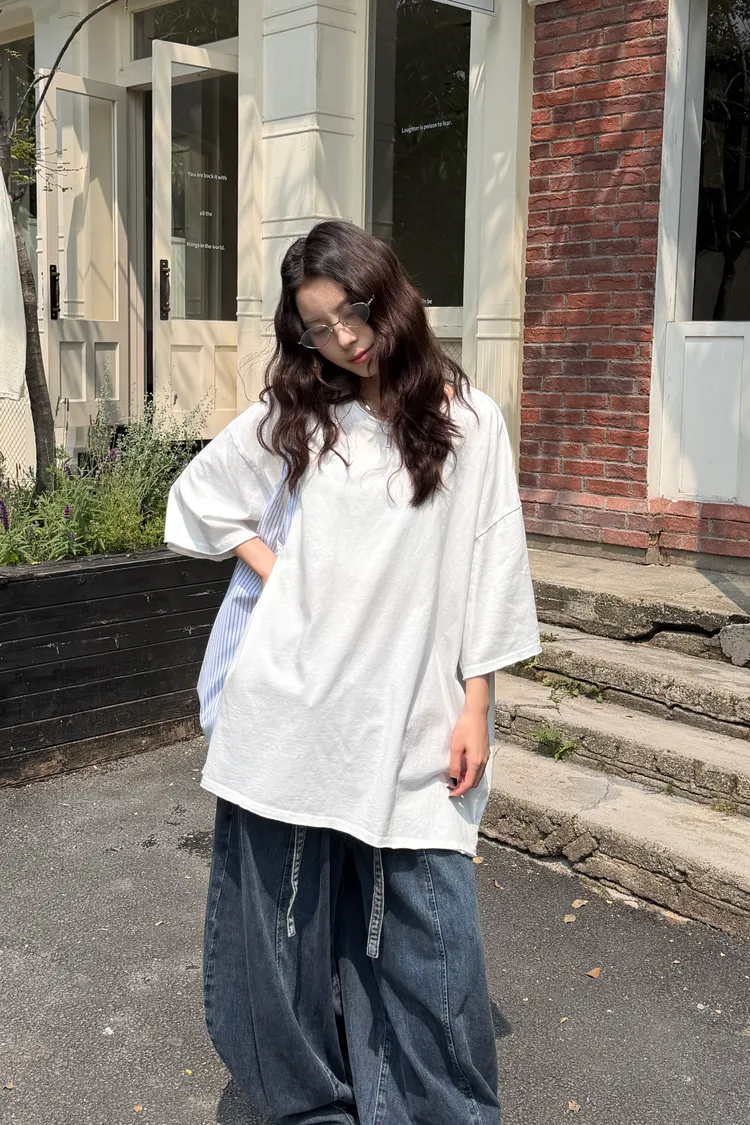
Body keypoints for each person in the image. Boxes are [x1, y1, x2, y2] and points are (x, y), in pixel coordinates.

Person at [164, 220, 540, 1125]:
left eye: (353, 312)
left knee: (432, 940)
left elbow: (491, 564)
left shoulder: (468, 419)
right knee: (279, 938)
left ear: (389, 293)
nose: (344, 339)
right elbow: (198, 498)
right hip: (291, 711)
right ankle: (309, 1108)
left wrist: (477, 702)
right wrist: (279, 570)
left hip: (412, 715)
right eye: (319, 327)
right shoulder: (303, 415)